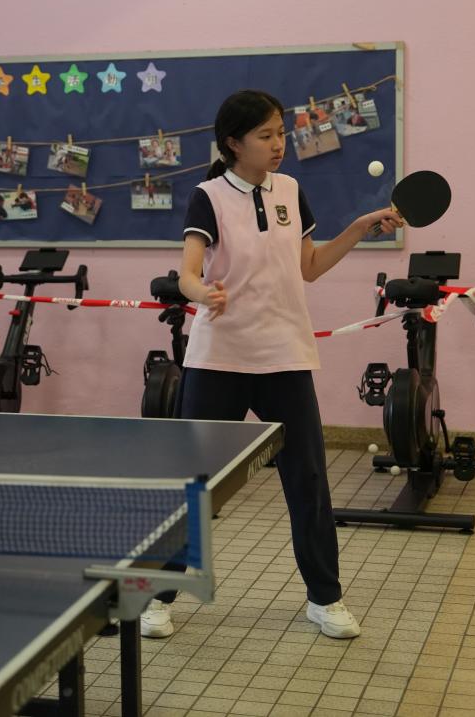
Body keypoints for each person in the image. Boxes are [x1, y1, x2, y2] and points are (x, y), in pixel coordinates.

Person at [137, 89, 401, 641]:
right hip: (219, 360)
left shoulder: (291, 191)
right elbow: (188, 271)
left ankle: (325, 598)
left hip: (285, 356)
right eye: (266, 135)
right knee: (193, 484)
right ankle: (158, 596)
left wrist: (358, 228)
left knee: (308, 481)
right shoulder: (208, 196)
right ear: (234, 143)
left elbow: (310, 267)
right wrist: (201, 292)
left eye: (281, 132)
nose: (279, 144)